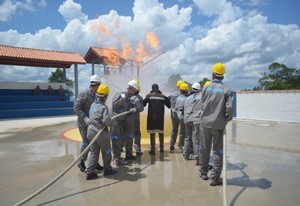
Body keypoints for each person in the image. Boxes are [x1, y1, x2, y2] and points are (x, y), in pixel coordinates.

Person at [199, 63, 234, 186]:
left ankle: (203, 172)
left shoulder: (206, 88)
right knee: (218, 151)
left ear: (213, 74)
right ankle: (214, 179)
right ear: (222, 76)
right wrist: (227, 119)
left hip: (204, 124)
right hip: (218, 125)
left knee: (204, 148)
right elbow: (230, 108)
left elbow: (201, 104)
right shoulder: (227, 90)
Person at [85, 84, 117, 180]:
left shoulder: (93, 105)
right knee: (107, 151)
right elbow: (106, 121)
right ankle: (107, 169)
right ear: (105, 96)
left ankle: (89, 172)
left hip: (90, 133)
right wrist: (113, 123)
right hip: (100, 134)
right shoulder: (104, 107)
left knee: (94, 152)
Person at [73, 75, 103, 172]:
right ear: (96, 85)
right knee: (86, 143)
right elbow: (76, 108)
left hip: (92, 123)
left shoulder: (96, 94)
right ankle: (81, 162)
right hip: (83, 123)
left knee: (94, 143)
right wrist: (85, 117)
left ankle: (94, 162)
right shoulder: (84, 94)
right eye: (99, 85)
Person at [111, 80, 143, 163]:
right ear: (129, 88)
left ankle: (128, 155)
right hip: (116, 121)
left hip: (123, 120)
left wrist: (134, 108)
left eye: (135, 91)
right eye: (133, 91)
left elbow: (132, 108)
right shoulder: (120, 94)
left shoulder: (129, 98)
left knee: (127, 137)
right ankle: (116, 157)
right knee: (117, 139)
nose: (133, 93)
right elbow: (114, 107)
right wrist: (121, 99)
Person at [143, 83, 170, 155]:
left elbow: (143, 104)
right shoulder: (163, 96)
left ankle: (152, 149)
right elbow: (169, 105)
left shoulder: (149, 95)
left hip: (152, 117)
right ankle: (161, 148)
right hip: (160, 118)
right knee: (161, 132)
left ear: (152, 88)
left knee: (152, 133)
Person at [183, 82, 201, 161]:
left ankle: (185, 155)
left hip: (186, 119)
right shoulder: (199, 97)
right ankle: (196, 156)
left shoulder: (187, 98)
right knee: (195, 139)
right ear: (199, 90)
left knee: (187, 137)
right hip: (194, 119)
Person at [168, 80, 185, 151]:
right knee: (182, 130)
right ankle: (181, 145)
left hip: (173, 115)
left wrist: (171, 107)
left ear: (177, 87)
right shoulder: (184, 95)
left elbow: (167, 100)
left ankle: (172, 144)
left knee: (174, 129)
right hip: (181, 115)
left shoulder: (172, 94)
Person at [174, 82, 189, 153]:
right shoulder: (187, 99)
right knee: (187, 133)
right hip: (186, 117)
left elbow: (176, 108)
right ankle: (185, 147)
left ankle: (180, 146)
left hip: (179, 117)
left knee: (181, 132)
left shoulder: (178, 98)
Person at [133, 80, 144, 156]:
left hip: (128, 118)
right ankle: (137, 149)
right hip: (136, 118)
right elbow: (141, 109)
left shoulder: (127, 96)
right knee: (136, 133)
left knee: (127, 133)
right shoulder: (139, 98)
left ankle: (123, 148)